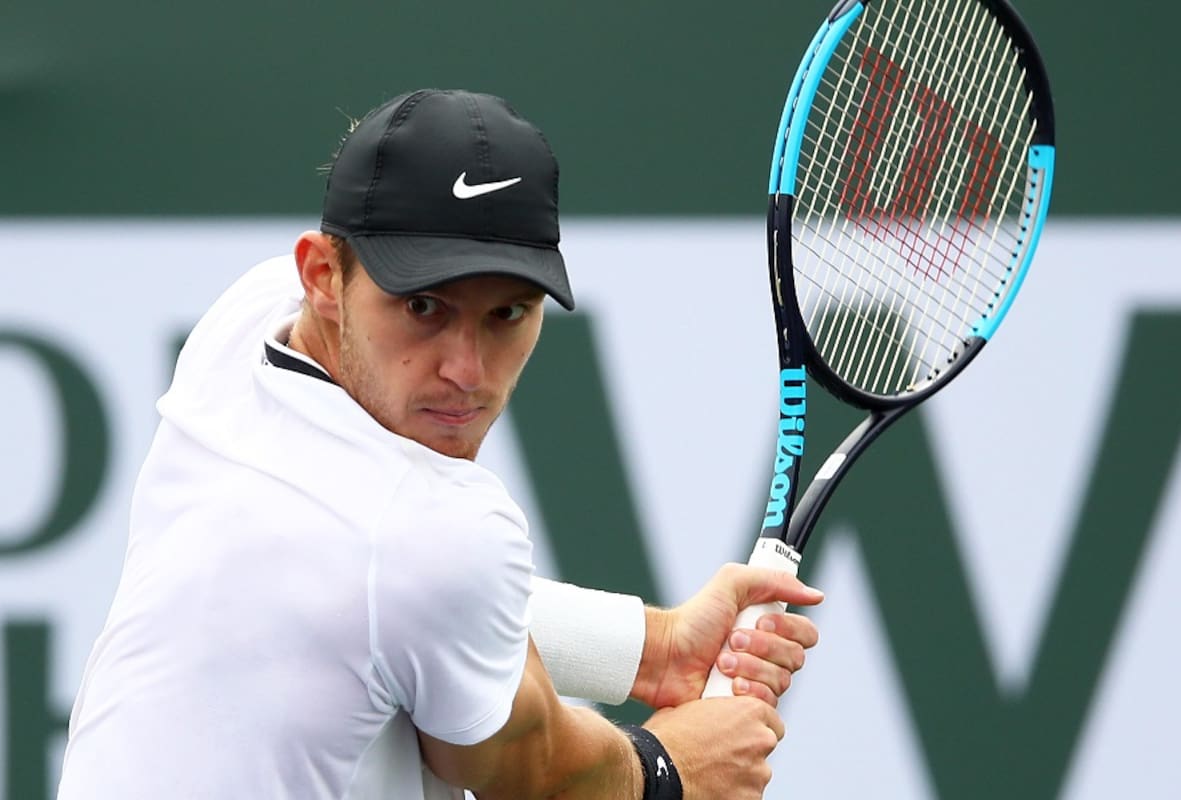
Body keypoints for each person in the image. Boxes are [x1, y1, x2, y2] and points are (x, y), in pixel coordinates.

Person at [57, 89, 823, 800]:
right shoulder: (432, 535)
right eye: (424, 306)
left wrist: (654, 648)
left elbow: (397, 596)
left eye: (508, 315)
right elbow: (528, 766)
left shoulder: (241, 335)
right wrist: (669, 768)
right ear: (323, 275)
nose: (467, 371)